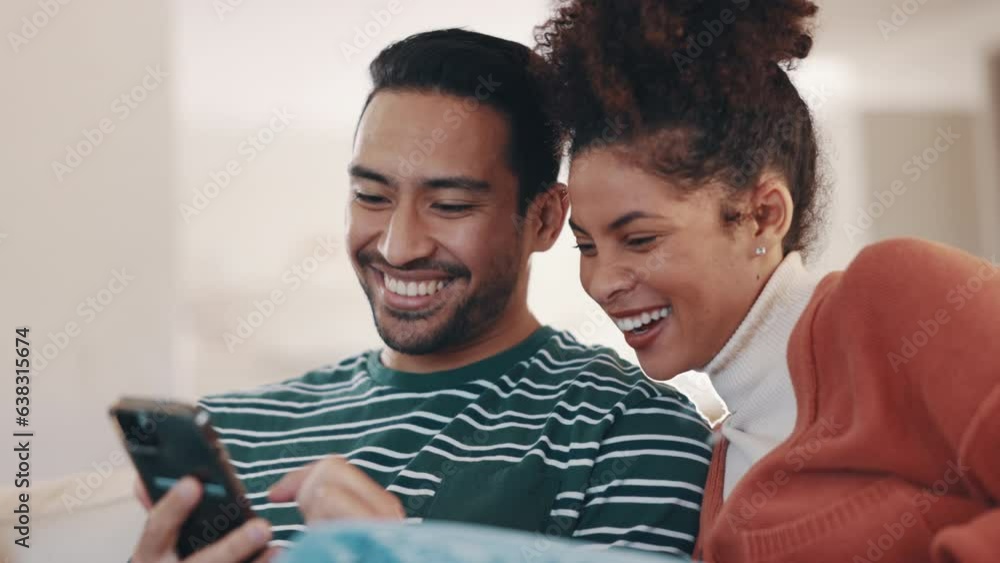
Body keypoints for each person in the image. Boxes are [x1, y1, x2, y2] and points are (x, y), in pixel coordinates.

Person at [128, 28, 711, 563]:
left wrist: (401, 551)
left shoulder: (631, 434)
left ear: (544, 217)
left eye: (450, 205)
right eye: (371, 196)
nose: (399, 245)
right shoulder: (235, 435)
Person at [535, 1, 1000, 562]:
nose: (602, 281)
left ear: (763, 216)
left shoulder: (895, 303)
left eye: (640, 240)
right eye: (586, 246)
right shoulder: (720, 466)